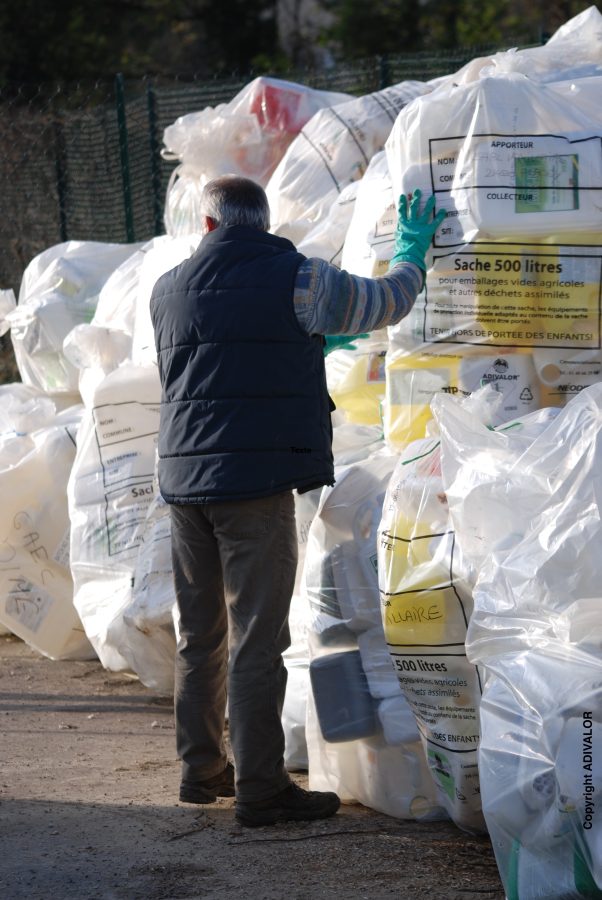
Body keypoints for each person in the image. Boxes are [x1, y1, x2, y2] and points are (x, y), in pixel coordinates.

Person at [150, 175, 445, 828]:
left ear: (206, 226)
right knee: (258, 636)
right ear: (264, 221)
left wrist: (303, 345)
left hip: (182, 483)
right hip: (253, 484)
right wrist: (413, 250)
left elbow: (210, 365)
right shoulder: (302, 279)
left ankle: (201, 772)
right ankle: (260, 788)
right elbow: (387, 302)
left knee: (200, 634)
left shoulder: (166, 288)